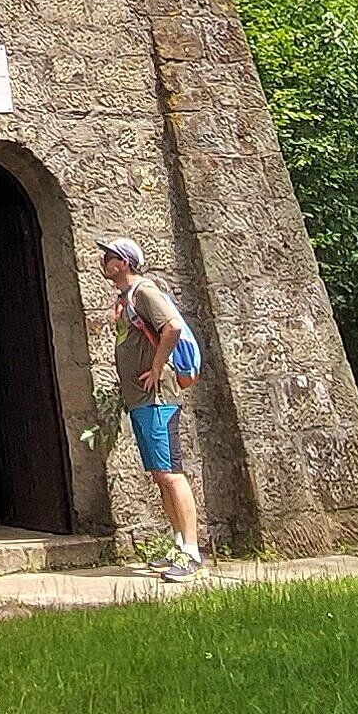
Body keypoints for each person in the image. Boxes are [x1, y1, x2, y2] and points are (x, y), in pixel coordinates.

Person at [97, 236, 204, 580]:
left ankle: (191, 552)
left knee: (172, 474)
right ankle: (177, 545)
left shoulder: (144, 291)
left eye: (110, 257)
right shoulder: (126, 298)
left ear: (124, 263)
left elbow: (171, 326)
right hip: (140, 401)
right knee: (161, 475)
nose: (104, 261)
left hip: (158, 399)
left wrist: (157, 367)